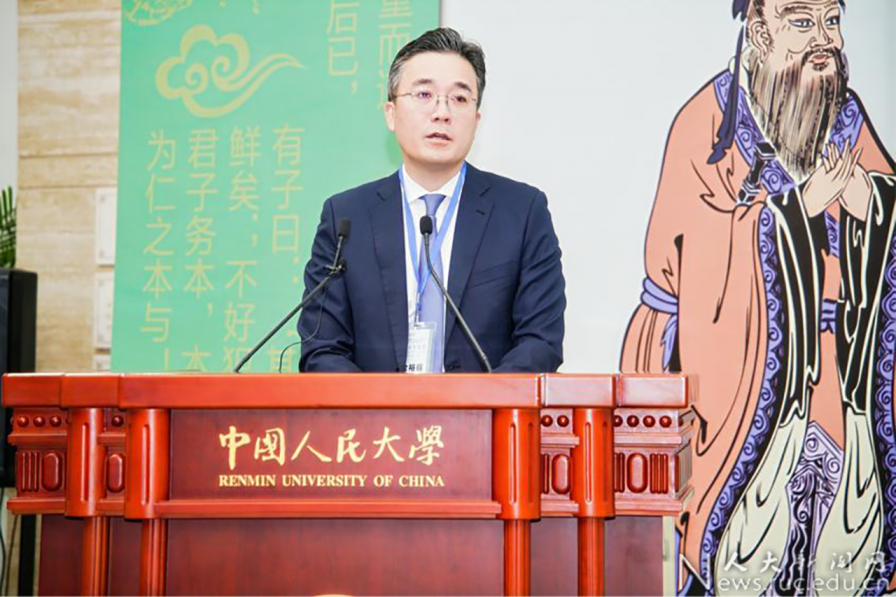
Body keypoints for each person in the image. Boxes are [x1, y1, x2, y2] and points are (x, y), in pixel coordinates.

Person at [620, 0, 896, 593]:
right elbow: (690, 256)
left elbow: (884, 199)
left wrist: (870, 203)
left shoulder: (847, 117)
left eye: (831, 21)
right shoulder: (709, 121)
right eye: (801, 22)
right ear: (758, 28)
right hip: (739, 379)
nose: (823, 39)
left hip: (841, 376)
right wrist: (795, 211)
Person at [298, 28, 565, 374]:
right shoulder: (346, 219)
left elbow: (540, 343)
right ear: (391, 113)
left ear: (476, 120)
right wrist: (382, 405)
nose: (442, 112)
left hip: (485, 409)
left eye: (459, 98)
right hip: (375, 412)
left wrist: (479, 403)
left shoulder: (522, 213)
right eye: (424, 94)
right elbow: (322, 349)